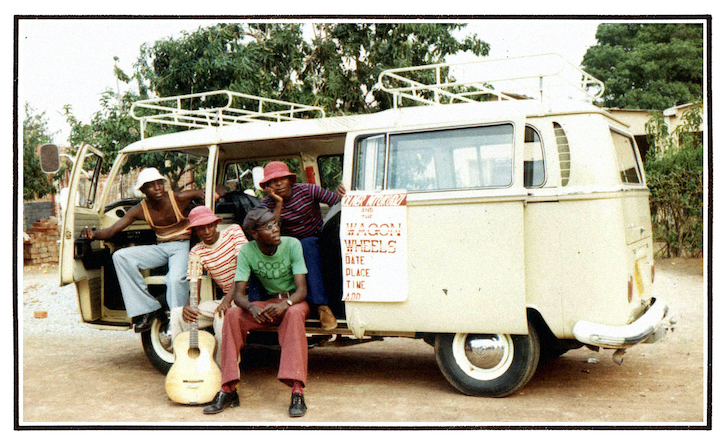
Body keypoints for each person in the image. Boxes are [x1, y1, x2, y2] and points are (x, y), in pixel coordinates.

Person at [81, 167, 222, 333]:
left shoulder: (178, 198)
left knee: (175, 280)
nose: (157, 188)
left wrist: (214, 194)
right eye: (150, 185)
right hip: (161, 248)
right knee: (120, 256)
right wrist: (93, 234)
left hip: (182, 246)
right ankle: (147, 308)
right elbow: (112, 231)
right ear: (143, 190)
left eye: (159, 183)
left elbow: (219, 188)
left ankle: (177, 324)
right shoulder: (140, 208)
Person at [204, 207, 310, 417]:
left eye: (276, 224)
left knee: (294, 314)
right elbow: (238, 295)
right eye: (269, 227)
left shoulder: (292, 245)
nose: (276, 230)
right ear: (254, 234)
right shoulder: (247, 251)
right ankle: (228, 388)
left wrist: (285, 304)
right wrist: (252, 307)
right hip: (268, 304)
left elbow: (302, 291)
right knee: (233, 314)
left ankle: (297, 390)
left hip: (292, 303)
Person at [260, 161, 345, 331]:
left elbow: (337, 203)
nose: (278, 183)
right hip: (283, 246)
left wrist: (342, 192)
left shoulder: (309, 190)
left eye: (282, 179)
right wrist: (278, 203)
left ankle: (322, 307)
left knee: (306, 245)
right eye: (272, 181)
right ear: (267, 186)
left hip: (312, 240)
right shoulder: (266, 204)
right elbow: (271, 230)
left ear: (290, 180)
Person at [169, 206, 248, 365]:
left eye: (209, 225)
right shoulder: (197, 251)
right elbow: (194, 282)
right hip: (227, 300)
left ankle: (224, 376)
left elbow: (243, 270)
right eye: (200, 228)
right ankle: (184, 366)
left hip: (246, 296)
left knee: (221, 316)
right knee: (177, 314)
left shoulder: (233, 232)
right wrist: (188, 305)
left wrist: (226, 301)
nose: (206, 231)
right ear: (195, 231)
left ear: (215, 224)